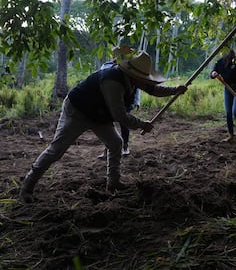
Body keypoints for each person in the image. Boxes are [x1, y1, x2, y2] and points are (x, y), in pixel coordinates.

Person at [19, 51, 187, 203]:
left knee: (115, 143)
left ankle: (113, 184)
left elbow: (153, 89)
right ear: (131, 72)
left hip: (100, 114)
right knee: (56, 150)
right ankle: (27, 186)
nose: (144, 81)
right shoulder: (112, 80)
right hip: (78, 111)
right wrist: (142, 124)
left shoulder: (135, 79)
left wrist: (175, 90)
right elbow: (119, 115)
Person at [98, 46, 141, 158]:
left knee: (124, 122)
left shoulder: (131, 69)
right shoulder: (106, 67)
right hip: (109, 99)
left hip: (126, 99)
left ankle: (125, 146)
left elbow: (137, 86)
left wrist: (136, 101)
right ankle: (107, 149)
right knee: (108, 125)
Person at [210, 49, 236, 142]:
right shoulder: (220, 62)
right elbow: (213, 72)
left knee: (235, 112)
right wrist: (213, 73)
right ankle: (231, 135)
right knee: (228, 113)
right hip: (227, 89)